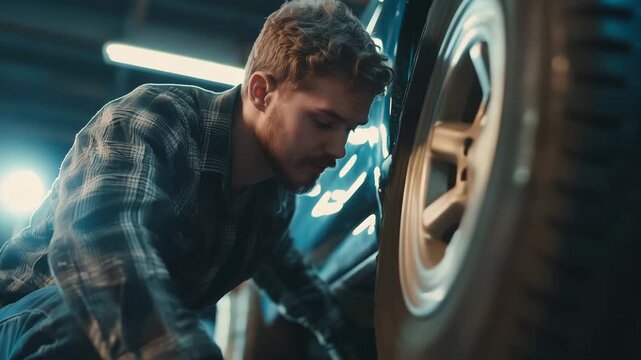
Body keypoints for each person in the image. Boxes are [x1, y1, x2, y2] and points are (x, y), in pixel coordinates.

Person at [0, 0, 393, 358]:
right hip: (25, 321)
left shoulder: (271, 203)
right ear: (261, 92)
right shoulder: (156, 119)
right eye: (324, 122)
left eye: (350, 130)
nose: (339, 149)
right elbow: (99, 246)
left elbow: (301, 289)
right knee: (91, 322)